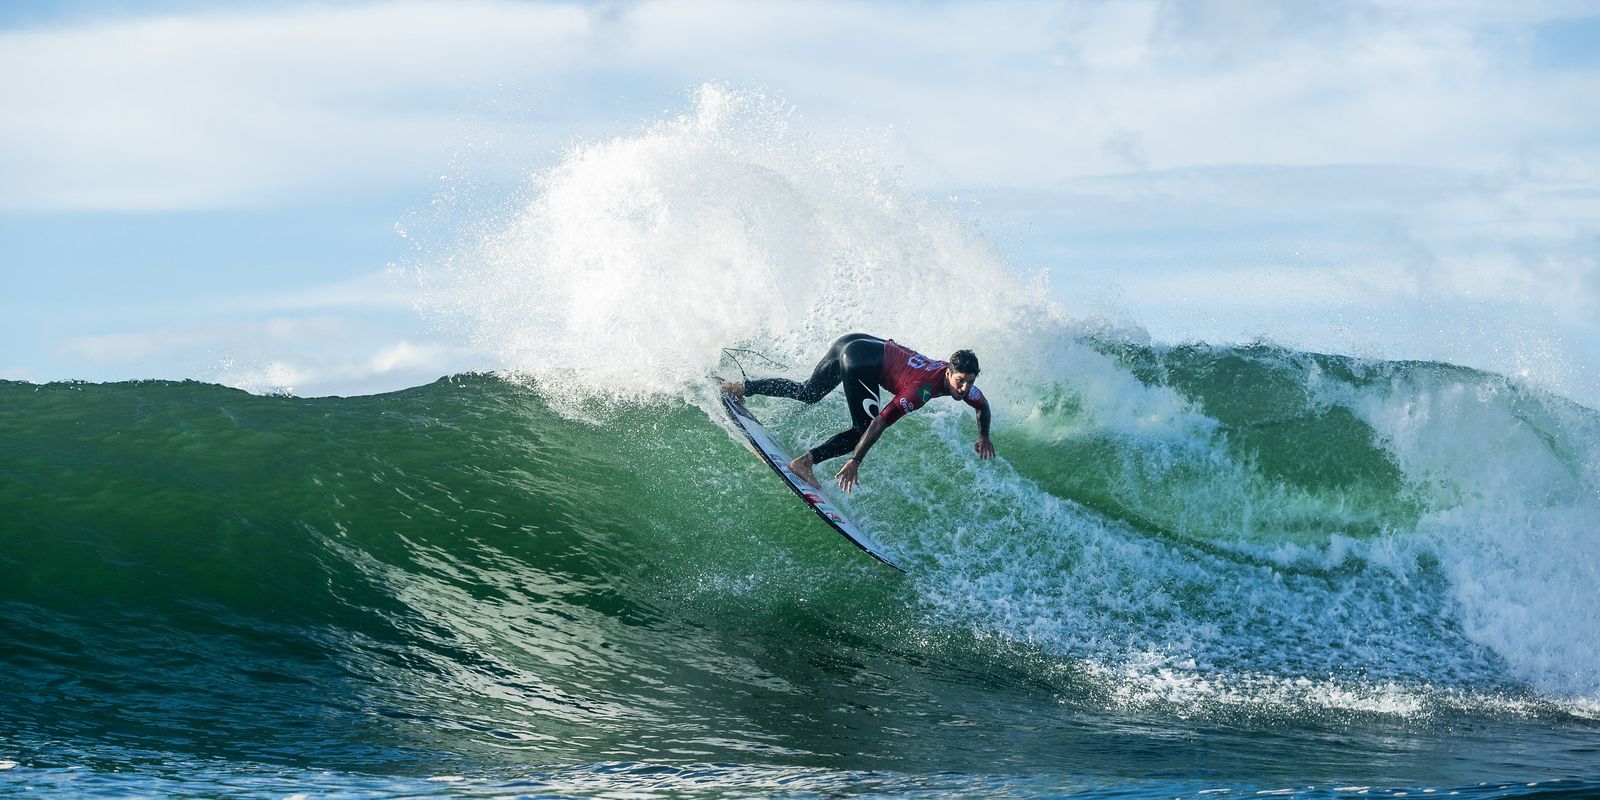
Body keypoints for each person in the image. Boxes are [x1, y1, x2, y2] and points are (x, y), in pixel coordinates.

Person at [722, 333, 994, 492]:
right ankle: (805, 462)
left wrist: (984, 436)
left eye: (971, 381)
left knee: (809, 392)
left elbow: (983, 406)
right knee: (861, 430)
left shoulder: (964, 387)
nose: (966, 387)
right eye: (961, 380)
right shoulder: (920, 391)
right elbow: (880, 422)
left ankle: (740, 388)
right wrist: (855, 461)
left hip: (853, 342)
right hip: (862, 361)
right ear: (948, 372)